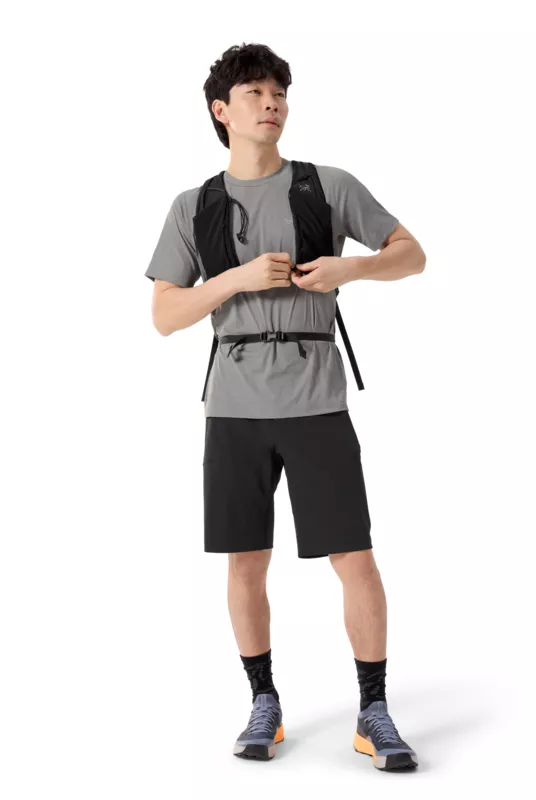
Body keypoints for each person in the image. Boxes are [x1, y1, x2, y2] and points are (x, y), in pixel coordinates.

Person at [145, 42, 426, 771]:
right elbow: (165, 314)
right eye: (255, 94)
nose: (272, 104)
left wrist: (352, 267)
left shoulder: (326, 186)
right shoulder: (193, 206)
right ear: (222, 111)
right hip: (234, 406)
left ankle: (373, 710)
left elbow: (412, 254)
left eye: (278, 93)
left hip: (316, 401)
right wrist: (235, 279)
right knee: (245, 561)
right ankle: (263, 701)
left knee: (354, 555)